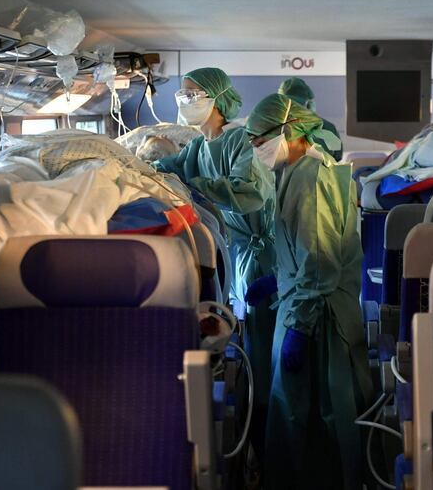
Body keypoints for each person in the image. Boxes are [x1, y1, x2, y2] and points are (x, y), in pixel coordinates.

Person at [246, 93, 372, 490]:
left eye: (258, 138)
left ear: (288, 131)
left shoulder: (311, 179)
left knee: (316, 417)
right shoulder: (303, 170)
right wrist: (278, 280)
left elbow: (319, 263)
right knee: (304, 414)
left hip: (318, 317)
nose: (255, 147)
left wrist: (299, 326)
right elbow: (305, 250)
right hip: (306, 300)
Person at [152, 68, 277, 461]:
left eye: (193, 94)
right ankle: (255, 433)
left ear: (217, 98)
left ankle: (267, 439)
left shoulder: (239, 139)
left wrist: (199, 187)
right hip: (238, 250)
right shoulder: (200, 146)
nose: (185, 101)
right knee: (248, 334)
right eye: (182, 94)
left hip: (262, 254)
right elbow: (173, 166)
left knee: (263, 346)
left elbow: (252, 194)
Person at [277, 77, 343, 161]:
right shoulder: (271, 129)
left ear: (309, 105)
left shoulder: (327, 128)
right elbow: (336, 158)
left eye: (296, 105)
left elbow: (336, 158)